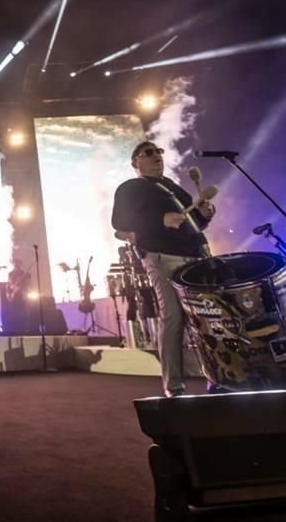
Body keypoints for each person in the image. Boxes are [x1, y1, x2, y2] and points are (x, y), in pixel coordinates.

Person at [111, 141, 214, 397]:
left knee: (204, 318)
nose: (156, 155)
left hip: (194, 256)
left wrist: (204, 214)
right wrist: (159, 220)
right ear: (135, 162)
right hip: (163, 257)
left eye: (159, 151)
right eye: (148, 152)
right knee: (173, 317)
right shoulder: (131, 188)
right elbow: (119, 222)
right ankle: (174, 386)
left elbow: (194, 223)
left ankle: (216, 377)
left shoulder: (173, 188)